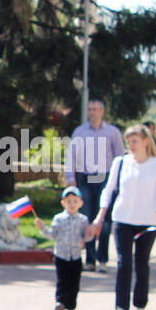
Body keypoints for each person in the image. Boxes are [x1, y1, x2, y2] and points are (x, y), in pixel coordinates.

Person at [89, 124, 156, 310]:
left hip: (148, 222)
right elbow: (108, 190)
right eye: (129, 141)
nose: (131, 145)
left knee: (142, 263)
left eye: (135, 141)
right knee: (124, 263)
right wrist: (100, 216)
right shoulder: (121, 162)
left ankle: (140, 305)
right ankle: (121, 308)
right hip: (122, 219)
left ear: (145, 141)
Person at [65, 98, 124, 272]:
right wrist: (70, 179)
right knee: (87, 218)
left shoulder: (112, 133)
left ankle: (102, 259)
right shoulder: (80, 132)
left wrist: (118, 182)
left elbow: (119, 158)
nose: (93, 112)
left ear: (102, 112)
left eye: (96, 109)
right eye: (90, 109)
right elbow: (72, 156)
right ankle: (90, 259)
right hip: (84, 179)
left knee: (103, 220)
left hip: (105, 179)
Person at [35, 186, 94, 310]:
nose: (72, 204)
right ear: (63, 203)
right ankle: (60, 302)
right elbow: (52, 235)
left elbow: (86, 237)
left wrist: (92, 233)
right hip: (61, 255)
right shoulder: (59, 219)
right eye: (68, 201)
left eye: (75, 201)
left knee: (74, 282)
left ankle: (70, 306)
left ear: (80, 203)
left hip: (76, 256)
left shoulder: (83, 220)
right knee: (62, 280)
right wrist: (42, 227)